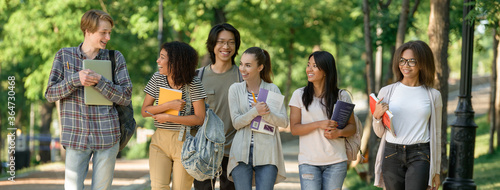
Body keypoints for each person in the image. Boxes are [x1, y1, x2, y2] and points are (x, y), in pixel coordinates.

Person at [45, 9, 132, 190]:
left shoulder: (115, 58)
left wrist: (100, 82)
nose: (108, 37)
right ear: (88, 31)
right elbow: (50, 94)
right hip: (76, 137)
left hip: (108, 137)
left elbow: (126, 96)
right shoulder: (64, 56)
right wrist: (75, 80)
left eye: (109, 32)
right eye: (103, 32)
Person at [372, 40, 442, 190]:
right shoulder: (387, 92)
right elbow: (379, 133)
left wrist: (436, 170)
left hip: (420, 154)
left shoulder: (433, 95)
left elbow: (436, 134)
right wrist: (377, 117)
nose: (405, 65)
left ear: (422, 64)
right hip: (392, 154)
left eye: (411, 61)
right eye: (402, 61)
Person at [141, 41, 206, 190]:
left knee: (181, 188)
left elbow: (200, 118)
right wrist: (167, 106)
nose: (158, 60)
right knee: (158, 187)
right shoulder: (157, 78)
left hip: (186, 142)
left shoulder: (193, 83)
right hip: (160, 141)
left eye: (162, 57)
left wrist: (169, 117)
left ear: (176, 62)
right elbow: (145, 111)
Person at [288, 51, 356, 190]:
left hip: (336, 162)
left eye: (314, 66)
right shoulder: (299, 95)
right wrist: (319, 124)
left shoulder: (341, 96)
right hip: (308, 162)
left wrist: (338, 133)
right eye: (308, 65)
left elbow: (352, 128)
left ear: (326, 71)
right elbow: (294, 129)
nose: (309, 69)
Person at [227, 47, 288, 189]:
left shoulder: (272, 89)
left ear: (260, 67)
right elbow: (236, 123)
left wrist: (266, 113)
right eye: (241, 64)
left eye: (248, 65)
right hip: (241, 153)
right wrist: (255, 111)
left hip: (267, 153)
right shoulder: (235, 89)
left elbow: (284, 121)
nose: (242, 69)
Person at [194, 23, 241, 190]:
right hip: (204, 151)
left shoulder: (244, 77)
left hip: (235, 152)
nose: (226, 47)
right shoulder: (197, 77)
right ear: (212, 44)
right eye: (221, 42)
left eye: (231, 42)